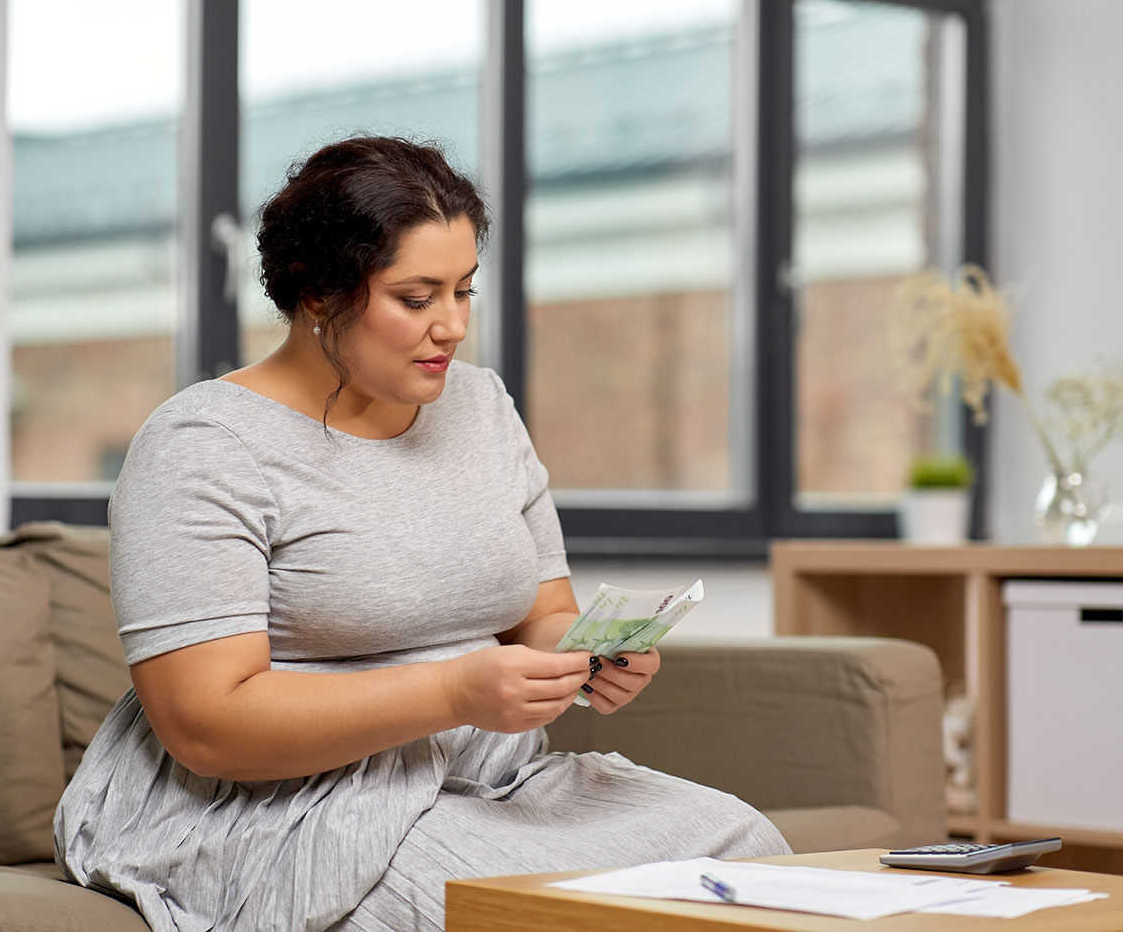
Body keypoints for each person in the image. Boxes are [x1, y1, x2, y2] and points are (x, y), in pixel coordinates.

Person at [54, 135, 789, 932]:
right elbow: (208, 725)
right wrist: (453, 691)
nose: (453, 326)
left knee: (747, 849)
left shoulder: (479, 405)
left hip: (480, 778)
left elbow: (539, 609)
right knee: (563, 912)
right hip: (274, 805)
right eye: (417, 297)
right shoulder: (204, 446)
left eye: (464, 290)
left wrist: (586, 653)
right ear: (316, 290)